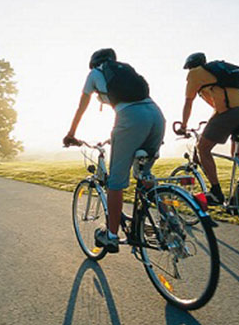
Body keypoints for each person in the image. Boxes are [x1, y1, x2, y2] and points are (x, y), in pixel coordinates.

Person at [63, 48, 165, 253]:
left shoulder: (94, 74)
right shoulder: (126, 71)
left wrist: (71, 134)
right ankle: (168, 219)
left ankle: (111, 236)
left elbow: (81, 107)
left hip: (130, 118)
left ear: (93, 63)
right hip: (156, 116)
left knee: (115, 182)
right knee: (144, 175)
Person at [178, 52, 239, 205]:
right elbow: (219, 106)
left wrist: (183, 126)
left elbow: (188, 102)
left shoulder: (195, 74)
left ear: (190, 66)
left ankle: (216, 193)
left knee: (203, 148)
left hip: (232, 112)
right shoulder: (217, 77)